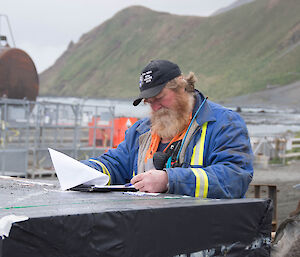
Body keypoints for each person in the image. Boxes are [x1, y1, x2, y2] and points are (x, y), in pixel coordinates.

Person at [81, 59, 253, 198]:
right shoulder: (141, 130)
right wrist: (83, 170)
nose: (155, 108)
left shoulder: (225, 123)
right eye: (149, 102)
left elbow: (235, 178)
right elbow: (116, 163)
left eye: (160, 98)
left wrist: (169, 180)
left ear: (181, 87)